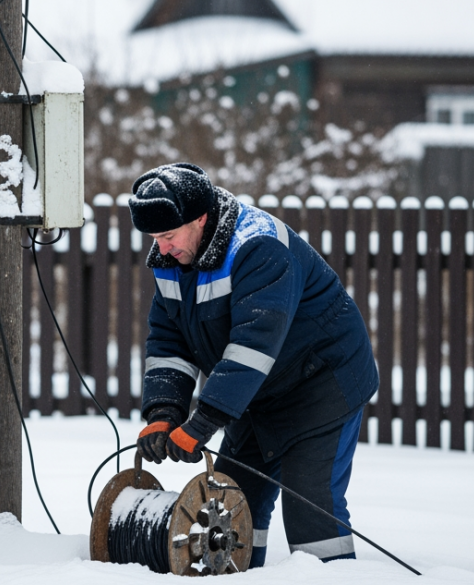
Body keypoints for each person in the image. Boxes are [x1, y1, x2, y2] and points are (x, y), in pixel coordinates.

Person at [129, 163, 379, 568]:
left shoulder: (259, 247)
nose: (162, 247)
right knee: (233, 502)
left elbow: (253, 346)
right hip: (255, 391)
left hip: (321, 382)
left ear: (200, 219)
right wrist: (164, 412)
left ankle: (334, 576)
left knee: (310, 505)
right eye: (155, 238)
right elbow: (169, 342)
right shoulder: (170, 262)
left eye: (169, 236)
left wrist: (202, 423)